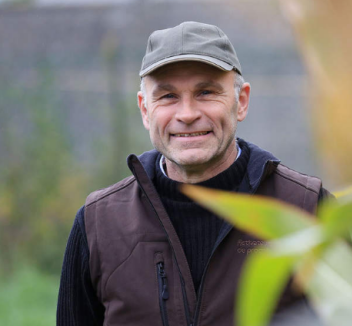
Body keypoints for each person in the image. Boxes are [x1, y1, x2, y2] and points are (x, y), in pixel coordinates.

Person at [57, 21, 330, 326]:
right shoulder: (99, 224)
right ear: (145, 110)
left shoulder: (307, 209)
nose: (187, 114)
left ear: (241, 102)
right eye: (168, 96)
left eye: (206, 92)